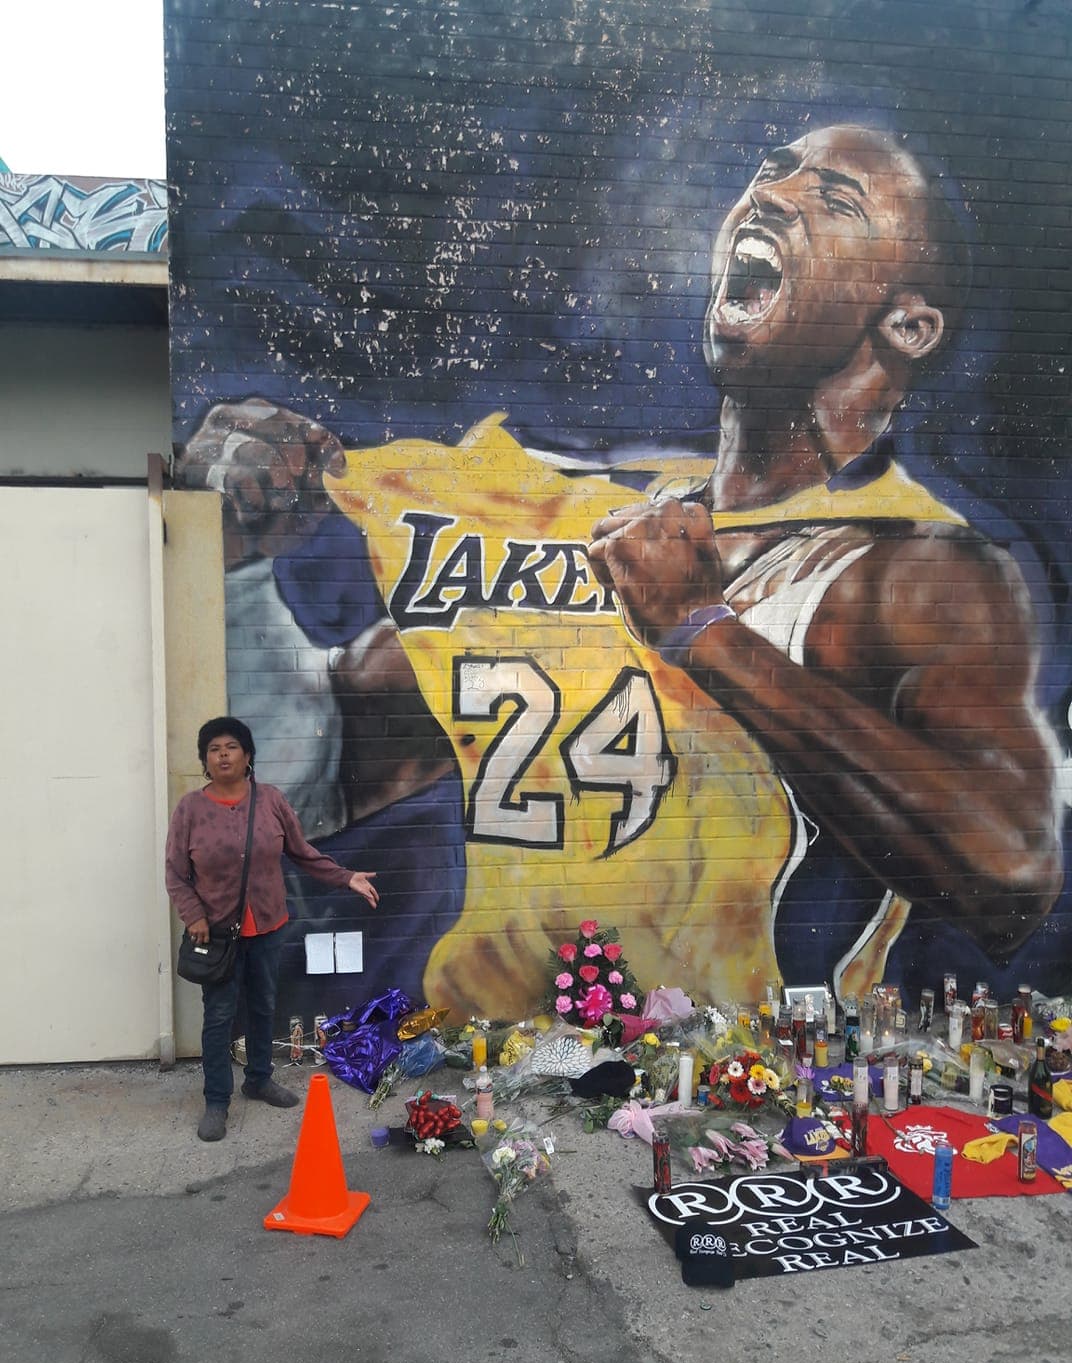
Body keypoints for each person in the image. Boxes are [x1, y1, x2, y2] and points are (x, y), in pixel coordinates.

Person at [176, 125, 1064, 1017]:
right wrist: (241, 568)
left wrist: (702, 635)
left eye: (832, 200)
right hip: (516, 1068)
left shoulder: (913, 567)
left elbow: (1009, 881)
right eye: (770, 172)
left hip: (735, 1081)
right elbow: (316, 769)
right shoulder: (579, 522)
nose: (771, 195)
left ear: (905, 323)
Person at [165, 717, 379, 1141]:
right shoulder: (190, 808)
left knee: (264, 1005)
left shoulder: (271, 801)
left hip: (267, 925)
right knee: (220, 1015)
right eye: (213, 749)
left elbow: (302, 853)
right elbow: (176, 873)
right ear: (205, 760)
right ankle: (216, 1100)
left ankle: (259, 1079)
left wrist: (345, 876)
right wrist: (194, 916)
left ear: (247, 755)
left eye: (231, 746)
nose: (222, 754)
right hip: (216, 934)